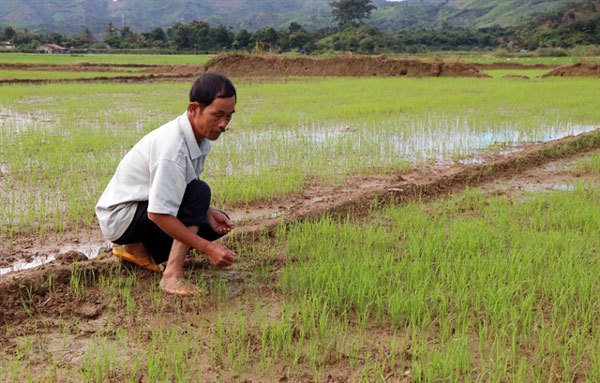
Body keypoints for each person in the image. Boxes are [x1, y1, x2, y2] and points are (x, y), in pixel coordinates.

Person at [95, 72, 237, 296]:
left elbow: (181, 189)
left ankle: (137, 249)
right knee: (200, 193)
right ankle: (171, 276)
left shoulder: (200, 138)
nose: (223, 124)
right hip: (121, 217)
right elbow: (158, 214)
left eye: (229, 116)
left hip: (138, 211)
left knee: (209, 225)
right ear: (193, 109)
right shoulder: (173, 148)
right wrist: (207, 249)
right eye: (217, 115)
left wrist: (205, 212)